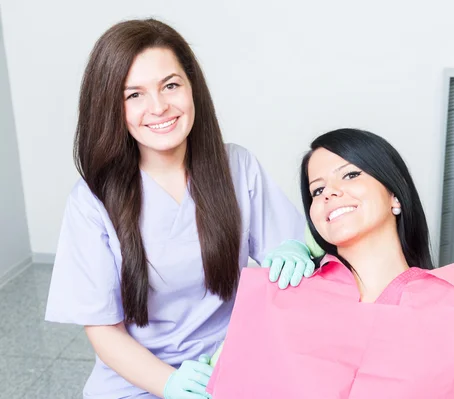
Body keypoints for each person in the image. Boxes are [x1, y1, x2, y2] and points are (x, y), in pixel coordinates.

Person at [44, 18, 314, 399]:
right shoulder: (92, 200)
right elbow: (104, 332)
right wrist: (168, 383)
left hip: (231, 361)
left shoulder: (237, 167)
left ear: (191, 89)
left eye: (170, 85)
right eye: (133, 95)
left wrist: (295, 249)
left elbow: (288, 251)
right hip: (135, 378)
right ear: (111, 107)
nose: (159, 107)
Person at [205, 128, 454, 398]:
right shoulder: (281, 297)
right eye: (317, 190)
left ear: (395, 194)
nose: (329, 193)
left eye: (350, 176)